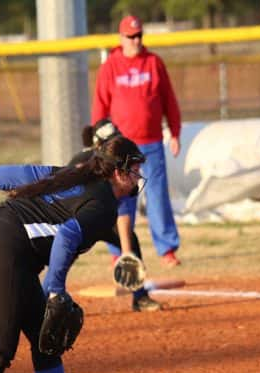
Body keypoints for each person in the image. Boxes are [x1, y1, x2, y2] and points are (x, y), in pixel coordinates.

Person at [0, 136, 145, 373]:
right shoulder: (102, 205)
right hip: (2, 249)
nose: (138, 177)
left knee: (45, 338)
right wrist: (55, 291)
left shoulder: (75, 174)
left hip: (4, 244)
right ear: (118, 172)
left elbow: (20, 173)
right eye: (135, 169)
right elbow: (66, 236)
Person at [92, 15, 182, 268]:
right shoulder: (110, 66)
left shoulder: (154, 63)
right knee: (121, 198)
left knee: (156, 196)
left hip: (151, 142)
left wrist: (174, 132)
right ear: (121, 38)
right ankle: (117, 250)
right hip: (121, 146)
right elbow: (100, 104)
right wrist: (99, 141)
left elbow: (169, 100)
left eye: (139, 35)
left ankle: (167, 249)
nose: (136, 40)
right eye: (131, 36)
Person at [68, 119, 162, 312]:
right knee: (62, 255)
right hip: (78, 217)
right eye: (110, 143)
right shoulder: (81, 164)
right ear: (98, 146)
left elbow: (123, 212)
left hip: (106, 218)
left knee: (131, 242)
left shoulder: (123, 166)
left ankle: (140, 297)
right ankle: (46, 298)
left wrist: (126, 252)